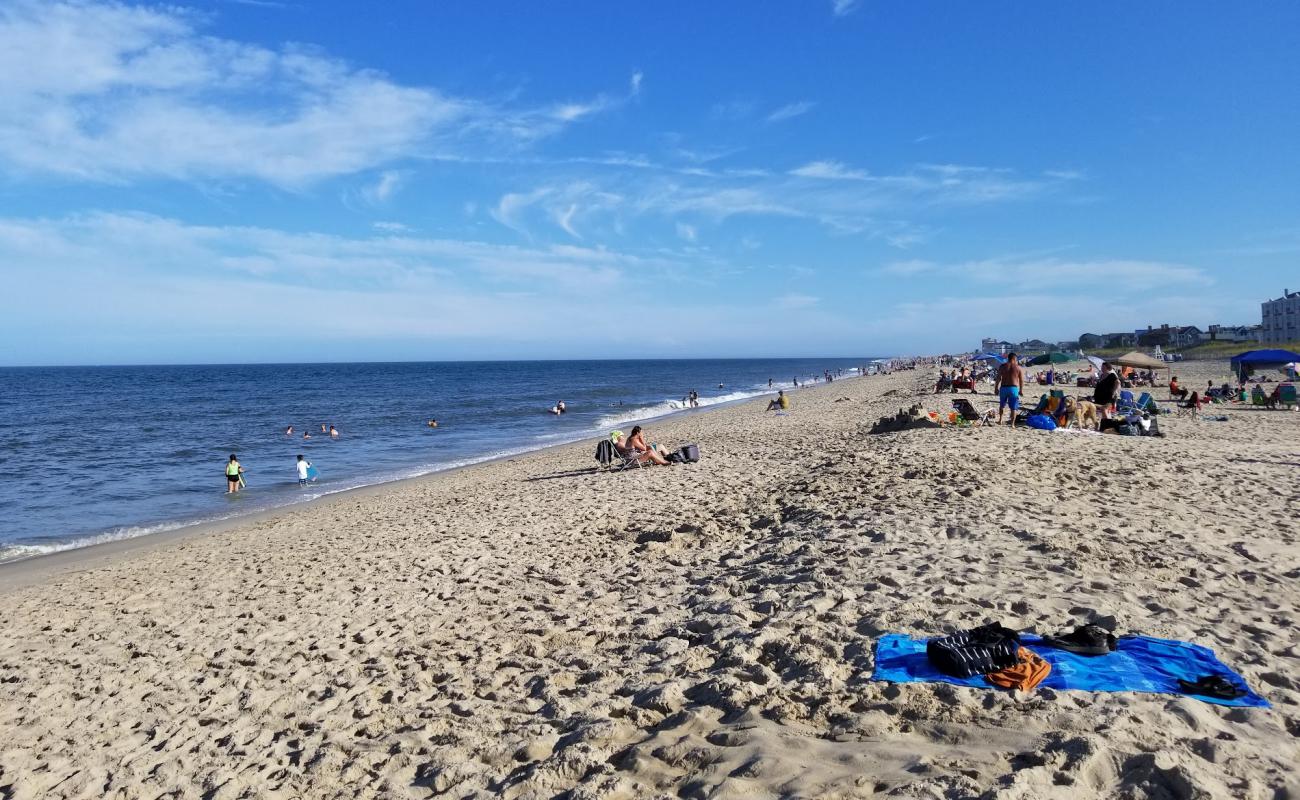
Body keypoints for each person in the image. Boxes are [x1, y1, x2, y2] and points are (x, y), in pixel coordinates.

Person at [994, 352, 1025, 427]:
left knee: (1002, 405)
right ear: (1014, 359)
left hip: (1003, 388)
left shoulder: (1002, 366)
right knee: (1013, 407)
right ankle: (1012, 424)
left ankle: (1000, 420)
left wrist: (996, 388)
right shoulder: (1018, 368)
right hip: (1013, 389)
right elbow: (1021, 380)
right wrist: (1021, 390)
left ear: (1008, 358)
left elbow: (998, 378)